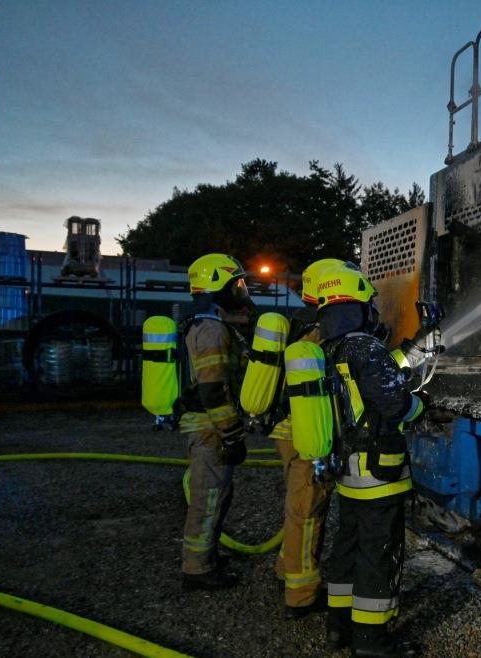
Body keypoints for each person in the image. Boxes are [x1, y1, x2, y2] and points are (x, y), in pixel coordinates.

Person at [312, 261, 427, 657]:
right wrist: (421, 405)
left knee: (347, 546)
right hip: (378, 472)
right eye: (368, 304)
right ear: (356, 306)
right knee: (378, 553)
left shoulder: (329, 348)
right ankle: (371, 640)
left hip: (347, 472)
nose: (373, 311)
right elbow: (396, 404)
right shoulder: (365, 347)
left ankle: (338, 627)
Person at [267, 258, 345, 619]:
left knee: (297, 508)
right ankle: (300, 596)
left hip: (287, 427)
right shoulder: (323, 329)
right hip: (306, 431)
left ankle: (287, 570)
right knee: (308, 512)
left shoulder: (301, 321)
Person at [178, 252, 253, 591]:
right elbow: (213, 390)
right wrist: (232, 434)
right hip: (210, 428)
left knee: (217, 494)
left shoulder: (207, 322)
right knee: (208, 498)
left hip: (209, 426)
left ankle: (206, 556)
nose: (242, 289)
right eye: (237, 283)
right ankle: (197, 569)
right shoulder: (209, 329)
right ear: (217, 284)